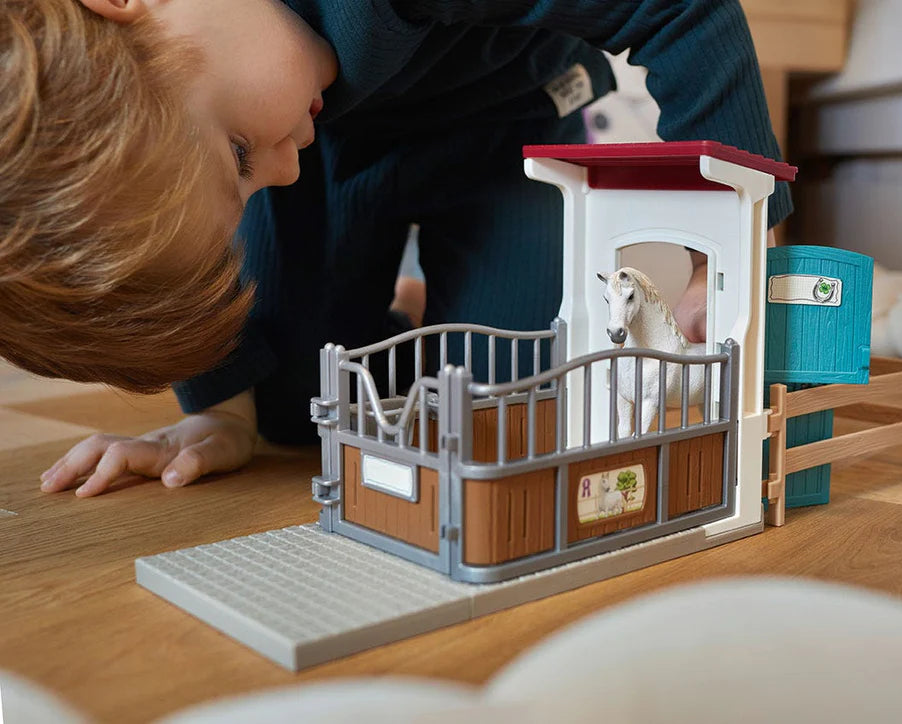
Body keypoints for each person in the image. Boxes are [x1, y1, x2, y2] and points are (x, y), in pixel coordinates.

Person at [1, 0, 790, 497]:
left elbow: (683, 12)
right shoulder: (269, 134)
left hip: (504, 123)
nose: (272, 175)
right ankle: (402, 315)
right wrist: (219, 415)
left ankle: (423, 309)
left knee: (513, 406)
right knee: (295, 410)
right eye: (242, 185)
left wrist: (729, 254)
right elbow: (187, 253)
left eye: (236, 156)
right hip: (329, 138)